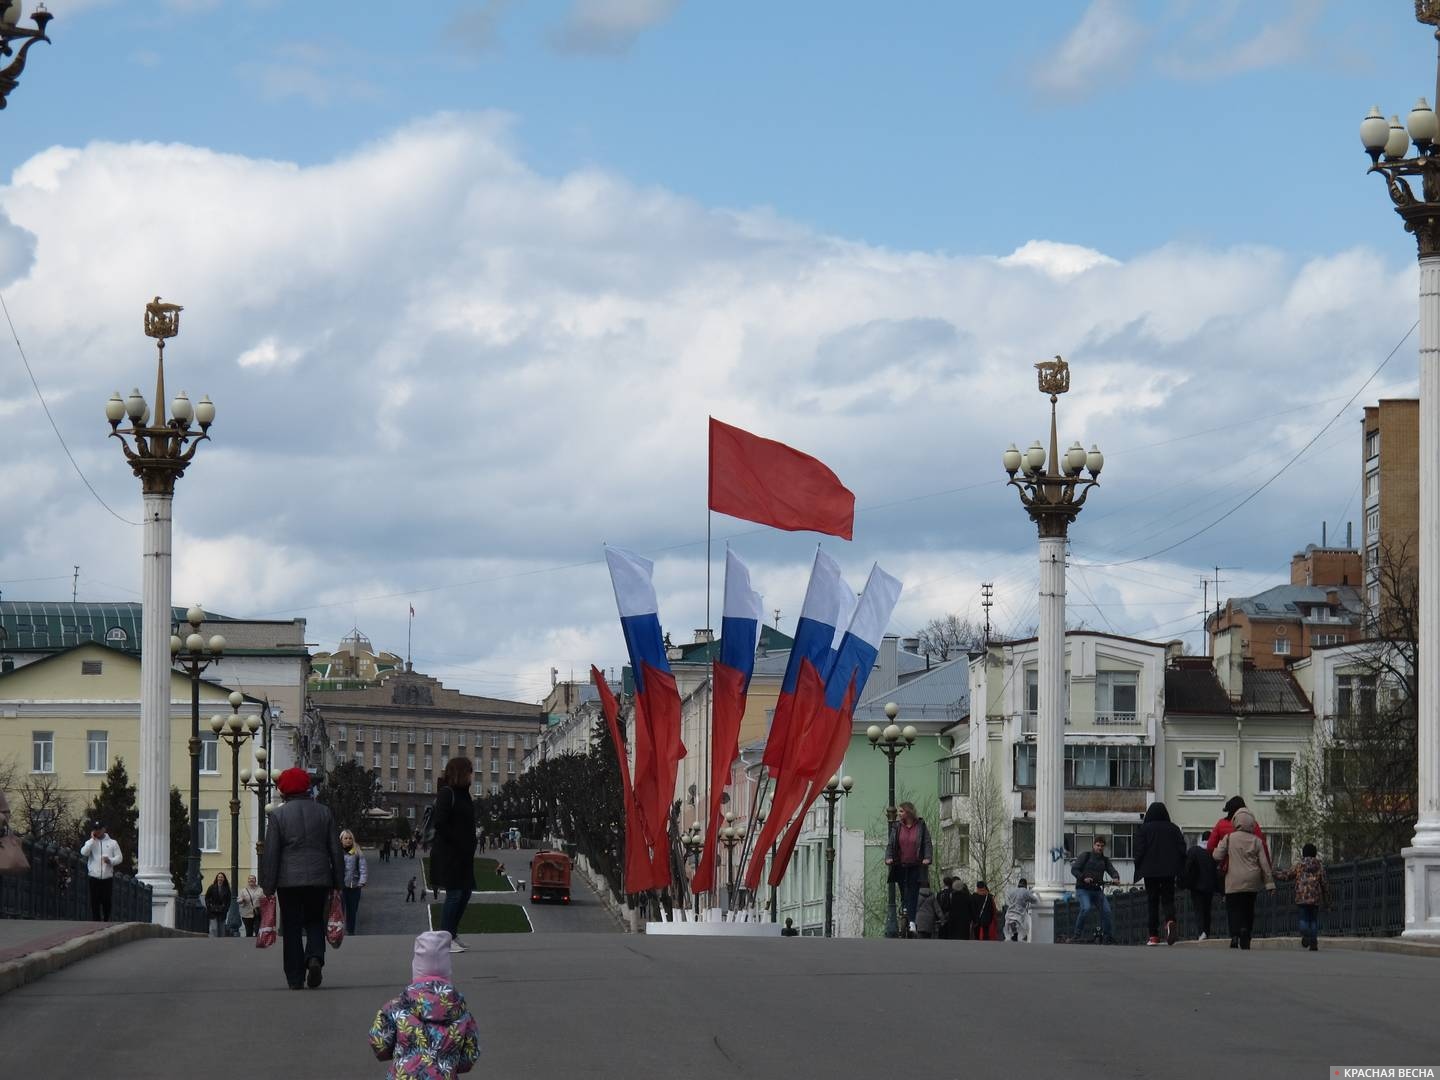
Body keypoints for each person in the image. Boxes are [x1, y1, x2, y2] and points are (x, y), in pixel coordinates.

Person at [261, 767, 345, 990]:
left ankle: (295, 977)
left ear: (284, 790)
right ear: (307, 788)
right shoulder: (324, 812)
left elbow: (271, 853)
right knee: (315, 919)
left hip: (288, 881)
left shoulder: (278, 816)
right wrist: (339, 881)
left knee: (291, 926)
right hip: (319, 878)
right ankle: (315, 957)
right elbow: (335, 849)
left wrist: (268, 886)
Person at [370, 931, 481, 1078]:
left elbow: (379, 1044)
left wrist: (402, 1053)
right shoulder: (461, 1013)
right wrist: (449, 1063)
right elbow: (470, 1055)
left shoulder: (395, 1008)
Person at [432, 757, 478, 954]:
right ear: (460, 772)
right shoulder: (446, 793)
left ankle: (452, 933)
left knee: (465, 892)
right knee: (455, 894)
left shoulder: (464, 794)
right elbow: (440, 823)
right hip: (450, 854)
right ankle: (444, 938)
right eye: (469, 771)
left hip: (464, 854)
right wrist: (458, 841)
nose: (471, 775)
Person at [1211, 807, 1275, 950]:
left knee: (1233, 909)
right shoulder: (1257, 841)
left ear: (1236, 822)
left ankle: (1234, 935)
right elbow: (1264, 864)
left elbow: (1216, 856)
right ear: (1252, 823)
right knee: (1248, 908)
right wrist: (1270, 884)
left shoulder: (1229, 838)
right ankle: (1245, 931)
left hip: (1233, 881)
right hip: (1252, 881)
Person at [1134, 801, 1187, 946]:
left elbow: (1139, 850)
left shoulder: (1144, 829)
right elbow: (1182, 849)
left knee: (1152, 900)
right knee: (1168, 898)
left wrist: (1138, 865)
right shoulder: (1174, 829)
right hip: (1169, 870)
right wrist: (1180, 866)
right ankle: (1170, 921)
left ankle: (1153, 936)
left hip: (1150, 871)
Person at [883, 802, 933, 934]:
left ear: (908, 812)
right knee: (904, 891)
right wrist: (888, 858)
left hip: (916, 865)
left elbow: (927, 843)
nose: (898, 814)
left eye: (901, 811)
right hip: (900, 864)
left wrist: (927, 858)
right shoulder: (897, 827)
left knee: (913, 892)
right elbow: (891, 844)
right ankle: (905, 911)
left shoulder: (920, 826)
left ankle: (911, 922)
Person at [1276, 842, 1329, 951]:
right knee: (1313, 920)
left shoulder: (1299, 865)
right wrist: (1327, 897)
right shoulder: (1319, 866)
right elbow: (1324, 883)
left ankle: (1307, 935)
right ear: (1314, 853)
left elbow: (1287, 875)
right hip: (1315, 897)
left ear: (1304, 853)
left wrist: (1274, 873)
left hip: (1302, 897)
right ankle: (1313, 940)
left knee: (1303, 919)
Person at [1071, 836, 1121, 943]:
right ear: (1093, 845)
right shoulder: (1086, 856)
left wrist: (1115, 877)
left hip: (1097, 890)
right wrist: (1084, 878)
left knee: (1107, 911)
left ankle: (1107, 936)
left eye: (1102, 846)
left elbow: (1112, 870)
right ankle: (1077, 935)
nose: (1100, 848)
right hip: (1083, 889)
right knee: (1086, 908)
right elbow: (1074, 869)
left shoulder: (1105, 860)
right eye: (1098, 845)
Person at [1206, 795, 1271, 864]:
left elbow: (1210, 847)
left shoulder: (1221, 824)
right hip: (1250, 865)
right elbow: (1263, 847)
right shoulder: (1252, 824)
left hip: (1228, 866)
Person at [79, 821, 122, 922]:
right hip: (94, 876)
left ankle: (106, 918)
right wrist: (92, 840)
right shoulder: (91, 842)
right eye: (95, 829)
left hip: (107, 877)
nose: (97, 831)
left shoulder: (112, 843)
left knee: (106, 899)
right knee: (95, 900)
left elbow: (119, 858)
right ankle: (96, 921)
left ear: (104, 829)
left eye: (99, 829)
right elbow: (83, 852)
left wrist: (110, 861)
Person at [1181, 831, 1221, 941]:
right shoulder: (1213, 852)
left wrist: (1184, 882)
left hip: (1196, 886)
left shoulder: (1194, 851)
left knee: (1198, 909)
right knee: (1207, 909)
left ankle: (1201, 932)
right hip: (1209, 886)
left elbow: (1187, 867)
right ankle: (1206, 931)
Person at [340, 829, 369, 935]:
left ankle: (350, 930)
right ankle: (339, 931)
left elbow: (363, 868)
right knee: (339, 910)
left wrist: (362, 881)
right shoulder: (338, 853)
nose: (348, 840)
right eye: (345, 838)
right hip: (341, 887)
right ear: (341, 840)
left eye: (350, 838)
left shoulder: (357, 853)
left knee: (352, 910)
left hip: (354, 887)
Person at [1004, 878, 1040, 942]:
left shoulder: (1012, 891)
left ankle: (1013, 936)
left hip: (1009, 914)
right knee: (1025, 928)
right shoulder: (1025, 891)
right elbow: (1035, 901)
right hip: (1020, 915)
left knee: (1012, 934)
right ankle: (1023, 938)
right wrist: (1036, 894)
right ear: (1025, 885)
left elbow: (1007, 901)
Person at [204, 872, 232, 937]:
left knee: (221, 929)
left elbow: (229, 900)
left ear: (224, 879)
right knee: (214, 928)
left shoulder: (227, 889)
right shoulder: (211, 887)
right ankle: (213, 942)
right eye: (219, 877)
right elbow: (207, 897)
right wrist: (209, 906)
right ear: (217, 878)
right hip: (213, 911)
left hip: (222, 911)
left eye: (222, 877)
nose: (220, 878)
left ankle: (221, 943)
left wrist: (226, 909)